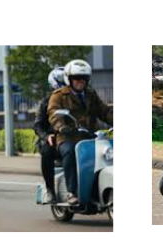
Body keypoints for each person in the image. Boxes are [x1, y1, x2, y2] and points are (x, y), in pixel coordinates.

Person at [48, 59, 113, 204]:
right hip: (67, 137)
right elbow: (53, 114)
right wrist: (61, 126)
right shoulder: (59, 95)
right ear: (69, 79)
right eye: (76, 78)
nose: (80, 81)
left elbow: (105, 111)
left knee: (109, 152)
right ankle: (72, 192)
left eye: (84, 78)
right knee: (70, 151)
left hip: (90, 136)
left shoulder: (90, 95)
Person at [35, 67, 66, 201]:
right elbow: (37, 124)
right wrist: (46, 136)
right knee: (47, 152)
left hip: (74, 138)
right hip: (53, 139)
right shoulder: (46, 102)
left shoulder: (76, 100)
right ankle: (50, 190)